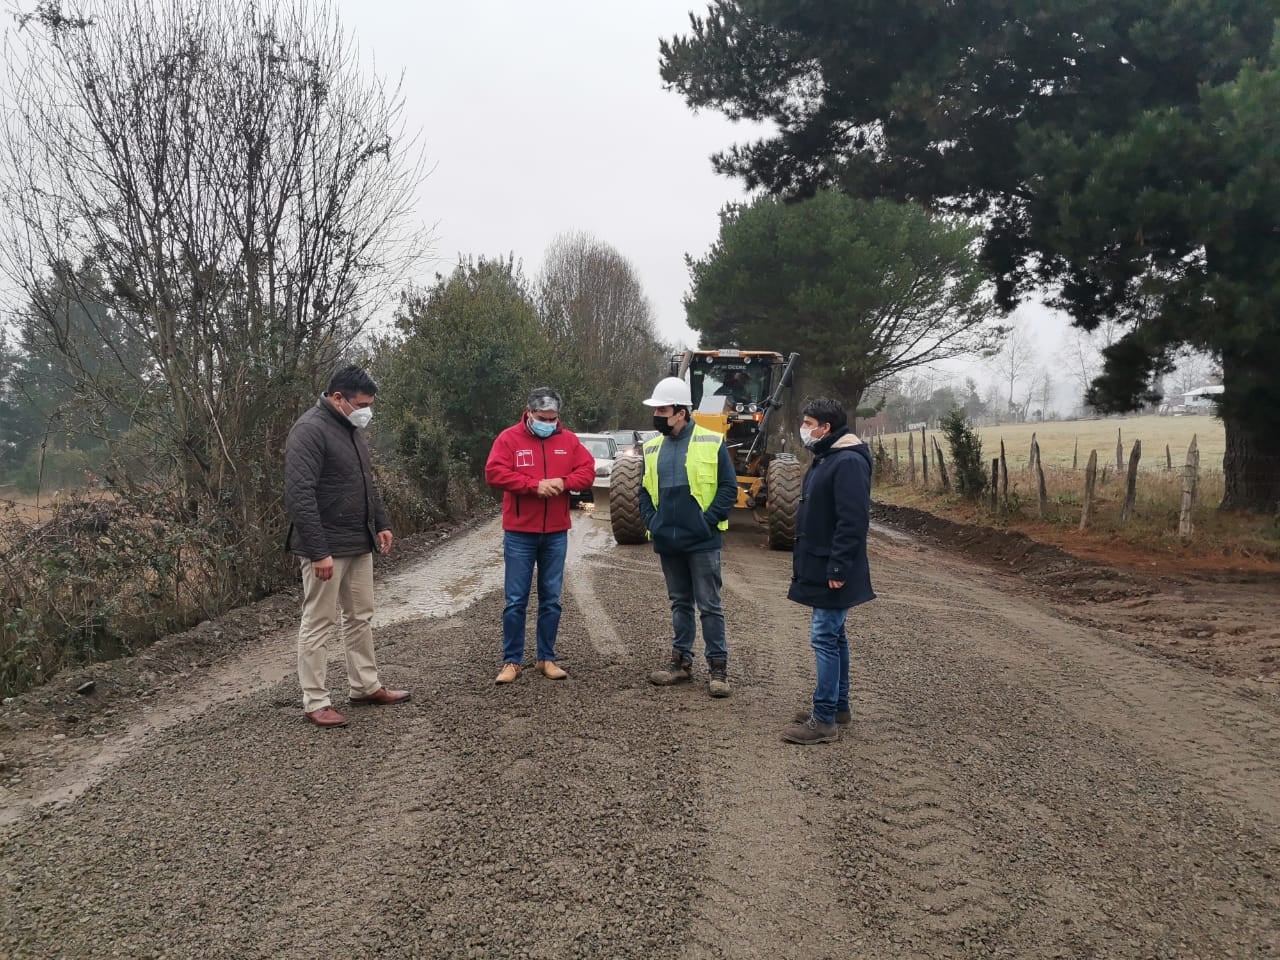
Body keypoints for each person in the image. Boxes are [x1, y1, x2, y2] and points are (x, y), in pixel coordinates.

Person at [285, 365, 410, 729]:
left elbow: (365, 483)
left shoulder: (350, 429)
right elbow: (300, 495)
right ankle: (316, 701)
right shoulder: (309, 431)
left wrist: (382, 523)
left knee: (360, 617)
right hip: (325, 547)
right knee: (318, 622)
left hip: (359, 541)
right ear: (337, 397)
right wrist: (318, 550)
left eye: (369, 404)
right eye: (361, 403)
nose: (366, 410)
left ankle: (365, 686)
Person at [485, 387, 597, 684]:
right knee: (515, 600)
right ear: (529, 412)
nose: (548, 422)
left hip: (556, 532)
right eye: (542, 417)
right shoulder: (508, 439)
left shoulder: (569, 440)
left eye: (553, 417)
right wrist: (533, 485)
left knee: (551, 599)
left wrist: (563, 482)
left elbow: (587, 471)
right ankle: (512, 661)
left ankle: (546, 658)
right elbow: (494, 473)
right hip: (520, 533)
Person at [781, 397, 875, 745]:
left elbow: (852, 520)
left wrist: (838, 565)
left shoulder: (847, 461)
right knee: (835, 636)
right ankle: (838, 707)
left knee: (824, 637)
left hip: (832, 566)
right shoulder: (828, 457)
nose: (804, 428)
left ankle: (823, 721)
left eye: (809, 423)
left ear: (826, 428)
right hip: (823, 561)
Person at [640, 376, 739, 697]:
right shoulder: (651, 447)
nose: (657, 416)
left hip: (702, 541)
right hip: (668, 541)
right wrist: (653, 523)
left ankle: (718, 670)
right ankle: (680, 664)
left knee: (710, 605)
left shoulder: (712, 441)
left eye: (662, 409)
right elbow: (643, 491)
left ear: (681, 412)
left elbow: (728, 488)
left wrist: (707, 522)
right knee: (680, 603)